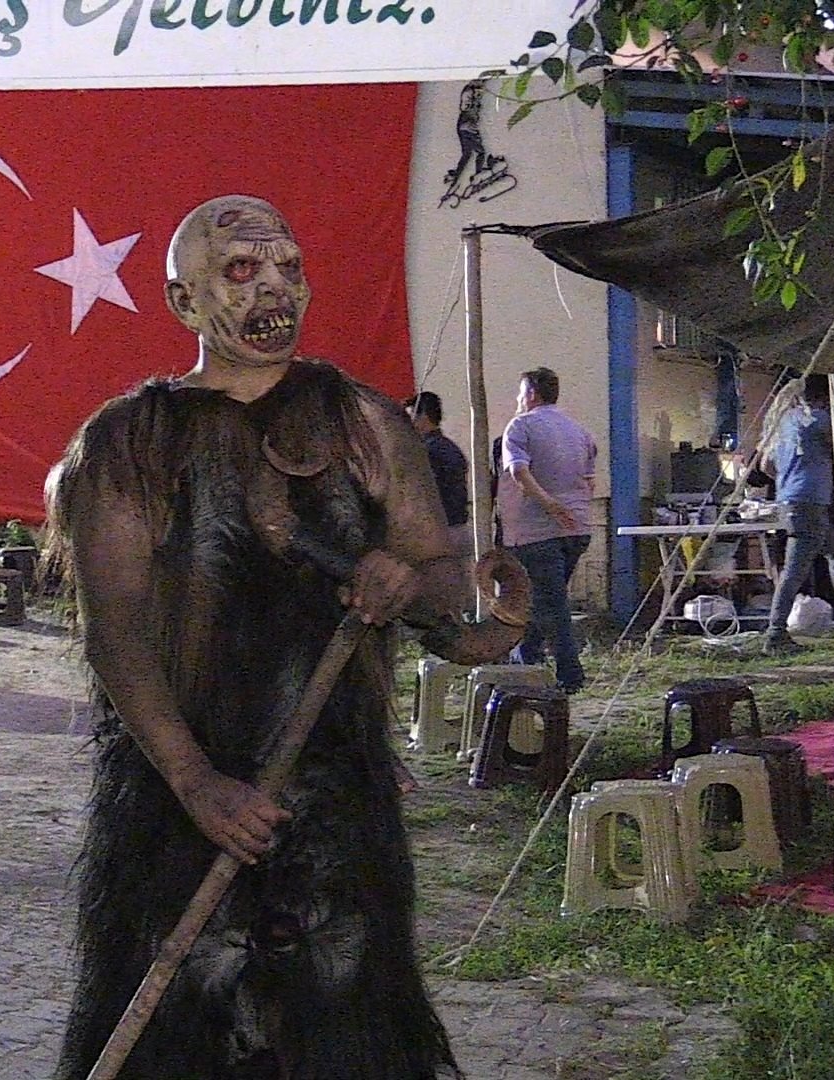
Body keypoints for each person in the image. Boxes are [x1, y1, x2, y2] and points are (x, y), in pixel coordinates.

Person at [45, 195, 528, 1080]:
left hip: (334, 803)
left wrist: (410, 581)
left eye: (288, 268)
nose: (273, 288)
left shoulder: (364, 424)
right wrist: (196, 782)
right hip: (177, 799)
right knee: (180, 1034)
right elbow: (114, 633)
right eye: (240, 271)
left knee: (345, 1031)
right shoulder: (128, 444)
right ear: (184, 302)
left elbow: (445, 591)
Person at [499, 366, 598, 692]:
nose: (517, 399)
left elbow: (518, 472)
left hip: (537, 530)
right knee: (542, 599)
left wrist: (548, 502)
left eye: (519, 393)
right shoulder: (578, 431)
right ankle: (524, 659)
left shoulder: (520, 426)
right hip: (578, 528)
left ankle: (570, 676)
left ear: (530, 394)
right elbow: (589, 480)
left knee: (551, 605)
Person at [760, 375, 834, 655]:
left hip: (788, 499)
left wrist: (790, 475)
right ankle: (775, 632)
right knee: (794, 570)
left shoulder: (782, 423)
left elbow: (767, 466)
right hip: (811, 499)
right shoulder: (819, 420)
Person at [405, 390, 473, 556]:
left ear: (422, 417)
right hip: (460, 527)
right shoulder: (450, 448)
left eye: (410, 417)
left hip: (440, 533)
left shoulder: (425, 452)